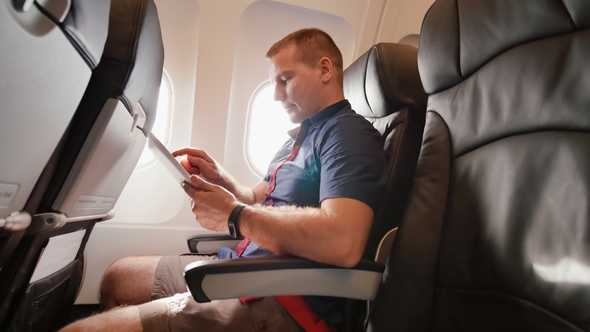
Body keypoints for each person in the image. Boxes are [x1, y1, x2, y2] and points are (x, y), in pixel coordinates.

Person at [60, 28, 388, 332]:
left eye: (285, 80)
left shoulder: (347, 134)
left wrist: (234, 215)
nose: (276, 95)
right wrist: (222, 179)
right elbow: (257, 197)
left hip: (282, 296)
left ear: (325, 70)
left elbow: (342, 242)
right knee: (118, 277)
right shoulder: (298, 137)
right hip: (243, 265)